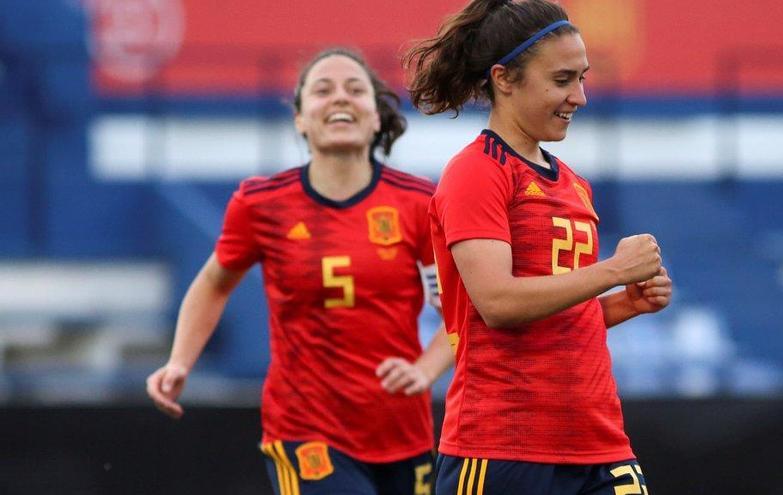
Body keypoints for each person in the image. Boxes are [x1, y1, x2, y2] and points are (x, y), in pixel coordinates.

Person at [146, 47, 453, 495]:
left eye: (354, 89)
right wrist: (179, 361)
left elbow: (459, 310)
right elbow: (214, 282)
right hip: (305, 427)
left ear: (375, 116)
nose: (339, 99)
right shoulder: (261, 204)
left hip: (402, 429)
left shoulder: (419, 203)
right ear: (299, 119)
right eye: (322, 90)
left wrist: (426, 370)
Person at [405, 1, 673, 494]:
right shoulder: (477, 172)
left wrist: (624, 304)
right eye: (563, 80)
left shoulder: (573, 183)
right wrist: (613, 272)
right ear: (504, 79)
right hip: (503, 446)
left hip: (598, 439)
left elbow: (556, 314)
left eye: (583, 79)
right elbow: (499, 304)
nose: (581, 97)